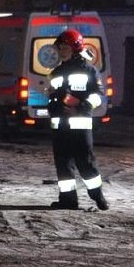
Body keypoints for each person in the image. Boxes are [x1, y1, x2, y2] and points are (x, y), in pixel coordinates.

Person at [47, 29, 109, 210]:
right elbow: (52, 97)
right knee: (63, 164)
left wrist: (82, 106)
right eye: (60, 47)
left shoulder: (89, 70)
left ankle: (98, 196)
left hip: (80, 125)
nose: (61, 50)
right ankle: (68, 200)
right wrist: (52, 105)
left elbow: (99, 95)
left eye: (65, 47)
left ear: (75, 48)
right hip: (60, 125)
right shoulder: (56, 72)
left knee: (86, 163)